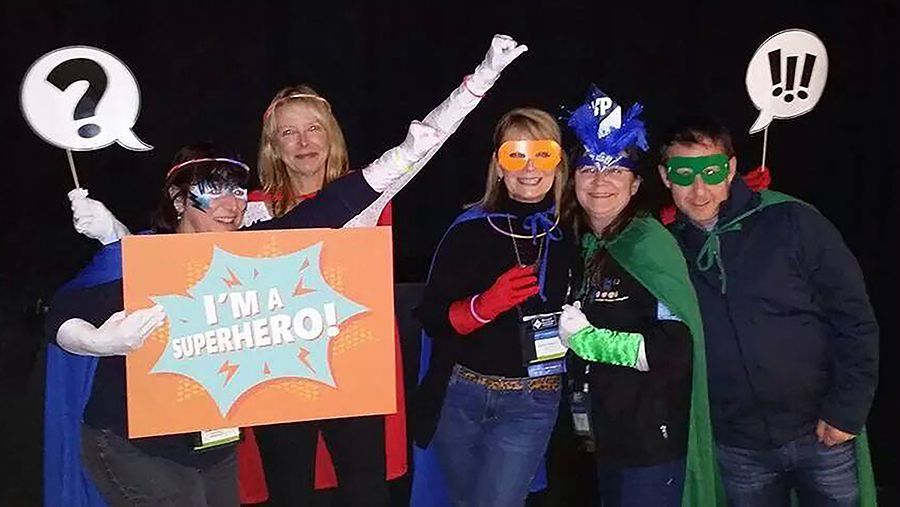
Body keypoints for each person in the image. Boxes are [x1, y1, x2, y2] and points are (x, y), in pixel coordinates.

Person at [248, 35, 529, 506]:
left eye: (313, 129)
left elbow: (428, 140)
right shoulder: (250, 210)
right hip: (280, 377)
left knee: (367, 493)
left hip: (351, 369)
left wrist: (482, 77)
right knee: (289, 494)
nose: (303, 143)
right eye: (288, 133)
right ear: (273, 145)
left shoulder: (367, 191)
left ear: (330, 134)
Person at [657, 117, 879, 506]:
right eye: (682, 173)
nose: (698, 189)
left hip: (820, 431)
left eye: (710, 171)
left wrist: (847, 409)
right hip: (738, 446)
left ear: (730, 169)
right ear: (664, 177)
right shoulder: (667, 250)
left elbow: (853, 316)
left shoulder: (793, 221)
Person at [556, 86, 719, 506]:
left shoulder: (648, 244)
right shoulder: (585, 243)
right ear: (573, 177)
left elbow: (676, 350)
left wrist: (589, 341)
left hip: (650, 442)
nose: (599, 181)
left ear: (635, 184)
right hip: (603, 437)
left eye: (614, 170)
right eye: (589, 168)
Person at [413, 106, 572, 506]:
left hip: (531, 401)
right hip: (462, 397)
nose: (529, 167)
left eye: (542, 153)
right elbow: (431, 317)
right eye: (515, 155)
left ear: (559, 163)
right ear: (498, 167)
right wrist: (482, 306)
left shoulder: (573, 231)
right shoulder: (469, 229)